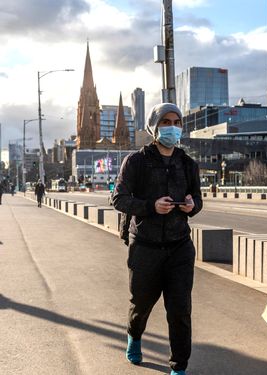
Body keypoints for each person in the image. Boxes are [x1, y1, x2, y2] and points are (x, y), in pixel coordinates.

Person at [112, 103, 202, 375]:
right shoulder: (136, 161)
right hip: (146, 247)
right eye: (166, 122)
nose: (172, 127)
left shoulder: (187, 163)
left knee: (180, 310)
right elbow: (118, 199)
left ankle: (179, 366)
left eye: (177, 122)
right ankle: (134, 336)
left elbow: (197, 199)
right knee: (141, 303)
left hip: (179, 248)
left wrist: (190, 205)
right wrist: (151, 206)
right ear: (154, 127)